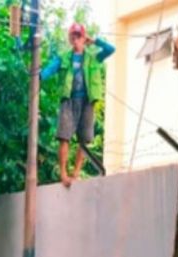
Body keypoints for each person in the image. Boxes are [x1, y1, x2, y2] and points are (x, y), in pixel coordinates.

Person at [40, 23, 114, 187]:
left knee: (84, 139)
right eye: (73, 36)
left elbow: (110, 49)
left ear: (84, 37)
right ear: (69, 38)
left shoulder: (93, 57)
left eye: (79, 36)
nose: (76, 39)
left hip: (87, 101)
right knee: (64, 137)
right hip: (69, 100)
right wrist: (39, 76)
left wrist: (95, 41)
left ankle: (76, 173)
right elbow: (50, 69)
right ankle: (63, 173)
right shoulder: (64, 57)